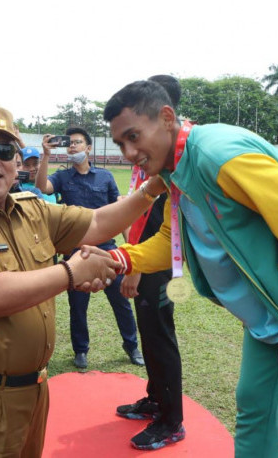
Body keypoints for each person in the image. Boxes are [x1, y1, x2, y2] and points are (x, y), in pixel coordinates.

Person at [102, 79, 278, 457]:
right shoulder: (176, 168)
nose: (129, 152)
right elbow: (172, 237)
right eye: (119, 143)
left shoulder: (216, 154)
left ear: (166, 117)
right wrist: (120, 258)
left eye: (133, 136)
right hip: (270, 309)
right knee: (254, 414)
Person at [0, 104, 165, 457]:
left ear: (16, 161)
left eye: (3, 150)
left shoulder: (29, 209)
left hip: (30, 391)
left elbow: (96, 224)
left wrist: (153, 187)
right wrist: (70, 272)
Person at [35, 127, 143, 369]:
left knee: (122, 302)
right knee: (78, 306)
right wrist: (46, 155)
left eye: (77, 143)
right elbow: (42, 187)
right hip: (76, 252)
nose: (72, 147)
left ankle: (132, 346)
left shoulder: (105, 177)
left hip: (107, 251)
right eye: (69, 144)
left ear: (89, 148)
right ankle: (80, 350)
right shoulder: (62, 177)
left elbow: (120, 213)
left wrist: (131, 246)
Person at [115, 74, 184, 451]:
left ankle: (172, 421)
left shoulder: (172, 161)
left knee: (158, 337)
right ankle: (156, 399)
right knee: (150, 332)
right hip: (141, 255)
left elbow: (161, 226)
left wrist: (134, 268)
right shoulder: (150, 155)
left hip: (153, 263)